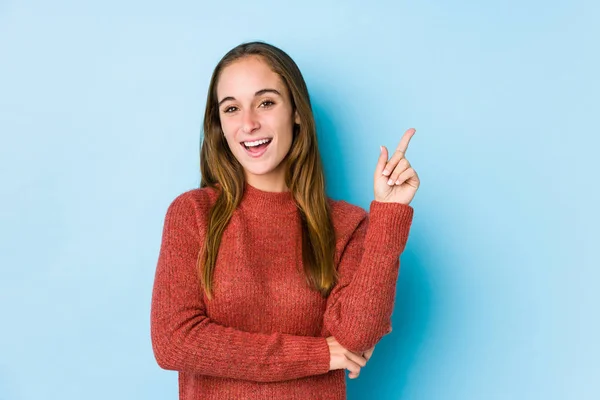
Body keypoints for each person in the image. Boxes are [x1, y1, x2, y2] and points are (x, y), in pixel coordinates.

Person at [150, 41, 419, 400]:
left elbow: (356, 336)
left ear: (295, 111)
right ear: (219, 125)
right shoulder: (193, 214)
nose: (249, 123)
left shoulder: (346, 224)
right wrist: (319, 354)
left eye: (265, 102)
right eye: (231, 108)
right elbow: (174, 341)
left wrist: (388, 215)